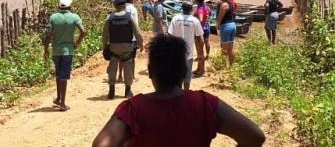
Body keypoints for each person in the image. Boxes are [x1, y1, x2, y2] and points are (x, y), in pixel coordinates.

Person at [91, 35, 265, 147]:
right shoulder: (205, 104)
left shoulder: (133, 109)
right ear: (184, 72)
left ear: (151, 72)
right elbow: (255, 137)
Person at [44, 0, 86, 111]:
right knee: (64, 77)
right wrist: (77, 43)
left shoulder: (53, 17)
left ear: (59, 7)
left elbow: (48, 34)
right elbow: (83, 31)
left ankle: (58, 98)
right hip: (68, 51)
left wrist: (46, 49)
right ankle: (62, 103)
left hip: (56, 51)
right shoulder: (74, 17)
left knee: (58, 75)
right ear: (70, 6)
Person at [102, 0, 144, 99]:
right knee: (128, 67)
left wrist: (105, 47)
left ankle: (111, 90)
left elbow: (104, 34)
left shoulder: (110, 18)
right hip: (127, 46)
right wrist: (141, 44)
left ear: (114, 6)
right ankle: (127, 91)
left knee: (112, 67)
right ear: (124, 5)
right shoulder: (129, 17)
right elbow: (137, 32)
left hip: (114, 47)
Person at [167, 2, 204, 90]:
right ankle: (185, 95)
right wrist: (200, 54)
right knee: (187, 78)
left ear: (182, 8)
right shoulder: (195, 20)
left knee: (177, 77)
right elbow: (200, 39)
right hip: (188, 54)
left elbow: (169, 35)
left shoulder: (175, 18)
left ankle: (177, 95)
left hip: (176, 54)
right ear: (191, 9)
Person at [216, 0, 237, 68]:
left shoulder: (224, 4)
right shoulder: (231, 3)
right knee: (230, 49)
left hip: (226, 27)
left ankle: (222, 67)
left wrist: (217, 27)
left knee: (224, 48)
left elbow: (219, 18)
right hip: (233, 25)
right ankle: (232, 66)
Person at [193, 0, 211, 77]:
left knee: (200, 51)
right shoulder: (206, 7)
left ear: (197, 0)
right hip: (206, 28)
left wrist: (197, 28)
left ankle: (202, 70)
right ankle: (199, 68)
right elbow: (209, 14)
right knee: (200, 52)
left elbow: (200, 20)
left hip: (200, 31)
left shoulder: (200, 8)